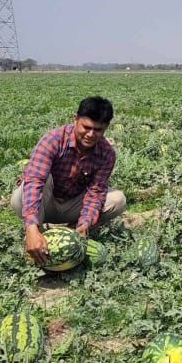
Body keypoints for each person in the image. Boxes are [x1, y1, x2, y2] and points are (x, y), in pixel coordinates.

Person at [10, 96, 127, 265]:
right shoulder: (53, 140)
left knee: (118, 200)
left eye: (98, 130)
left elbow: (95, 193)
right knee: (36, 183)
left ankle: (71, 232)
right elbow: (35, 182)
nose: (90, 134)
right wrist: (31, 228)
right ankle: (36, 233)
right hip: (45, 203)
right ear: (75, 119)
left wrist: (84, 224)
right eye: (86, 127)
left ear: (106, 127)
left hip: (72, 205)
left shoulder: (106, 154)